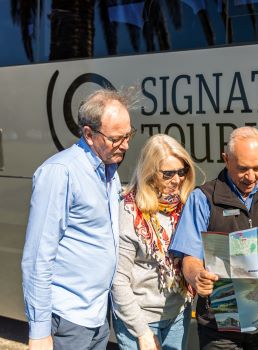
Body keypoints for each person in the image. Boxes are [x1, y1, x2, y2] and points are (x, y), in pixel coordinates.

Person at [22, 89, 135, 349]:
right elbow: (38, 256)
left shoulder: (110, 172)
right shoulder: (60, 173)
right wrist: (39, 332)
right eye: (117, 138)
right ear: (88, 134)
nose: (126, 145)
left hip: (97, 315)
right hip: (68, 319)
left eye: (128, 135)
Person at [169, 126, 258, 350]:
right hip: (220, 327)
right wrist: (197, 276)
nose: (251, 177)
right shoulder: (204, 198)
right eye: (243, 169)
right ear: (226, 159)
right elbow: (189, 257)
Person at [111, 134, 197, 350]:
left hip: (178, 314)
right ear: (150, 172)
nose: (177, 180)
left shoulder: (186, 206)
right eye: (168, 174)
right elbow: (118, 281)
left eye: (181, 171)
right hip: (139, 319)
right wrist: (142, 332)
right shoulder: (130, 212)